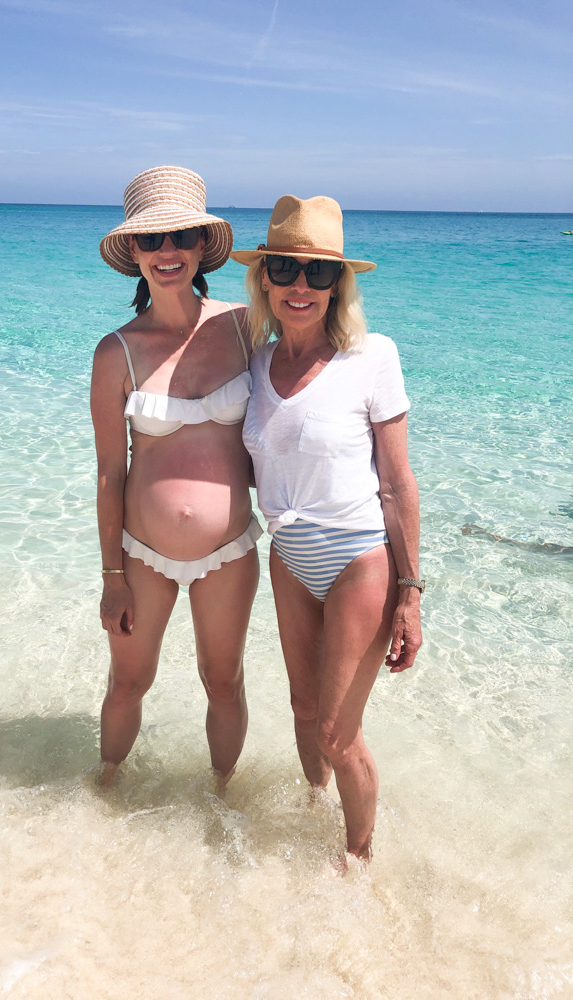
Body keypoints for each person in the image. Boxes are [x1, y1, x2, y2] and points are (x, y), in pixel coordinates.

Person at [230, 195, 422, 861]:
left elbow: (397, 484)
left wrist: (411, 593)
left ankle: (358, 863)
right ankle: (315, 816)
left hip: (357, 561)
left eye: (317, 273)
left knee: (340, 734)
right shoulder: (253, 359)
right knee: (304, 714)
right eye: (284, 269)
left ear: (340, 284)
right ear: (264, 280)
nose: (299, 286)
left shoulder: (372, 357)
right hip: (289, 558)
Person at [91, 166, 260, 786]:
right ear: (133, 252)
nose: (167, 252)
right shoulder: (117, 351)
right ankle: (101, 792)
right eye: (151, 240)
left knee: (224, 679)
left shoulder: (245, 326)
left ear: (200, 248)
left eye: (181, 236)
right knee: (128, 681)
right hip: (141, 554)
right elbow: (111, 473)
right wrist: (112, 575)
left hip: (230, 549)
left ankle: (223, 801)